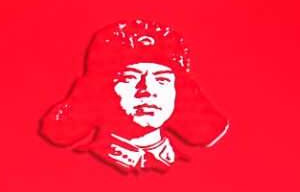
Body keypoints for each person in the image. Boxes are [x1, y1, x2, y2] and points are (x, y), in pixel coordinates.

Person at [40, 20, 229, 174]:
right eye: (129, 78)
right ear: (99, 89)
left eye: (161, 79)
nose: (147, 90)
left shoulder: (196, 168)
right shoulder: (75, 165)